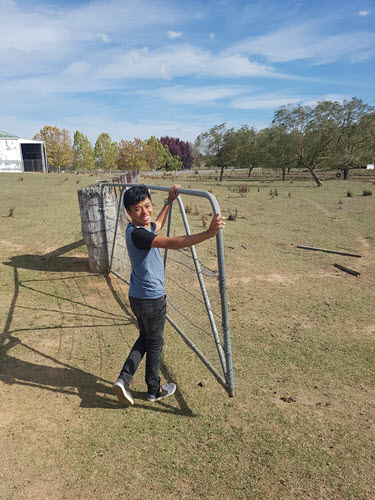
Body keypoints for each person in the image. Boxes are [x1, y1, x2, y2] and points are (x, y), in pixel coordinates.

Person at [113, 184, 225, 406]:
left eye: (147, 206)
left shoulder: (135, 229)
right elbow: (174, 243)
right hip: (151, 299)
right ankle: (154, 390)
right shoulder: (140, 235)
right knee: (155, 344)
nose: (144, 212)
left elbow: (158, 224)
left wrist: (168, 202)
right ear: (128, 212)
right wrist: (208, 233)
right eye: (137, 209)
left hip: (136, 297)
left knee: (145, 339)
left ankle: (123, 379)